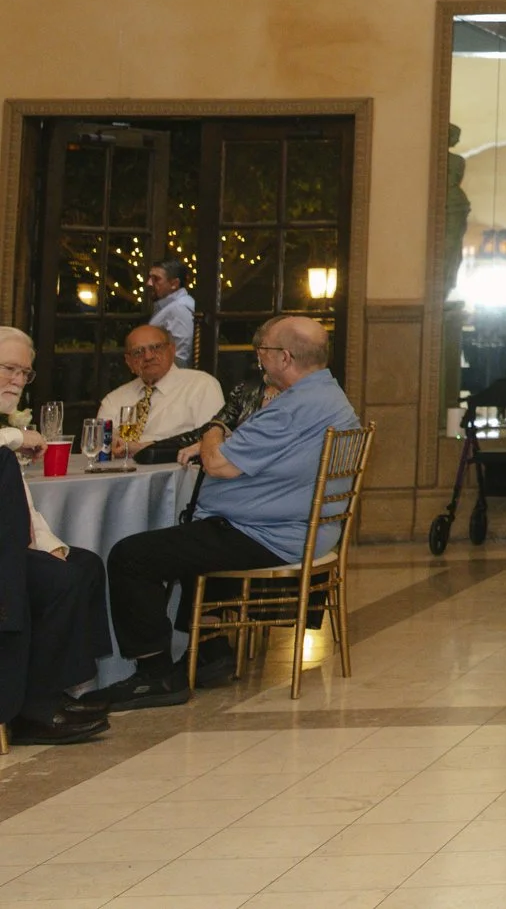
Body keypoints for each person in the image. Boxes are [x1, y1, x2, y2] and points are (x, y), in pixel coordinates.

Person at [93, 316, 359, 709]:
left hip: (268, 534)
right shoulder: (325, 395)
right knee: (192, 532)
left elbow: (216, 464)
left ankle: (154, 675)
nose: (259, 360)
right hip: (293, 527)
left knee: (130, 556)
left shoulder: (292, 406)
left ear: (284, 357)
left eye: (263, 351)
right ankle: (209, 648)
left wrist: (215, 427)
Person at [0, 328, 111, 744]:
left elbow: (23, 506)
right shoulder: (10, 434)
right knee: (57, 580)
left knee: (82, 565)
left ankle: (52, 691)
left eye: (24, 373)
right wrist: (14, 437)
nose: (17, 379)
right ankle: (31, 708)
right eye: (9, 369)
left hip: (7, 547)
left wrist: (50, 546)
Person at [95, 325, 224, 462]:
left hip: (176, 477)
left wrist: (145, 448)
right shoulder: (115, 398)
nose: (148, 356)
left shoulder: (201, 385)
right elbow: (98, 441)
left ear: (172, 350)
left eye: (156, 348)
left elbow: (212, 442)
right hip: (121, 478)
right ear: (128, 361)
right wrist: (114, 442)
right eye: (138, 352)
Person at [145, 259, 197, 367]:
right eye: (150, 278)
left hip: (170, 379)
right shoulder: (171, 306)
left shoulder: (179, 309)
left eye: (156, 279)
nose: (149, 283)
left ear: (174, 284)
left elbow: (180, 358)